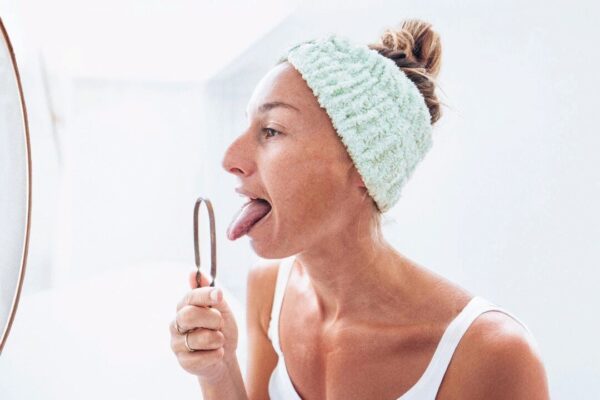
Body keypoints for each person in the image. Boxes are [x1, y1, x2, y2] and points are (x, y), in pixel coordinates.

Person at [170, 19, 550, 400]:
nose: (230, 159)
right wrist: (217, 371)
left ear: (362, 166)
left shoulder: (494, 355)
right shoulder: (269, 293)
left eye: (271, 130)